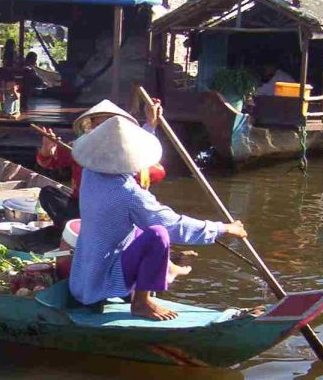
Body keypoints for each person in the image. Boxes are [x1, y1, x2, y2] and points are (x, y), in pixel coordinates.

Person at [70, 116, 248, 320]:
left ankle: (168, 269)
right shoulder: (128, 193)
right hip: (102, 277)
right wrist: (223, 228)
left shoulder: (89, 172)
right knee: (157, 235)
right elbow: (171, 225)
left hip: (83, 273)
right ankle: (141, 302)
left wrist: (149, 127)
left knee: (136, 227)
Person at [36, 99, 164, 229]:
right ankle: (72, 230)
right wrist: (47, 150)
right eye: (98, 125)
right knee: (49, 193)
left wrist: (150, 124)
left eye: (108, 125)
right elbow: (48, 162)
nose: (103, 130)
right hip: (83, 207)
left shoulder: (128, 152)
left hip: (113, 211)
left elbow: (156, 172)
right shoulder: (81, 147)